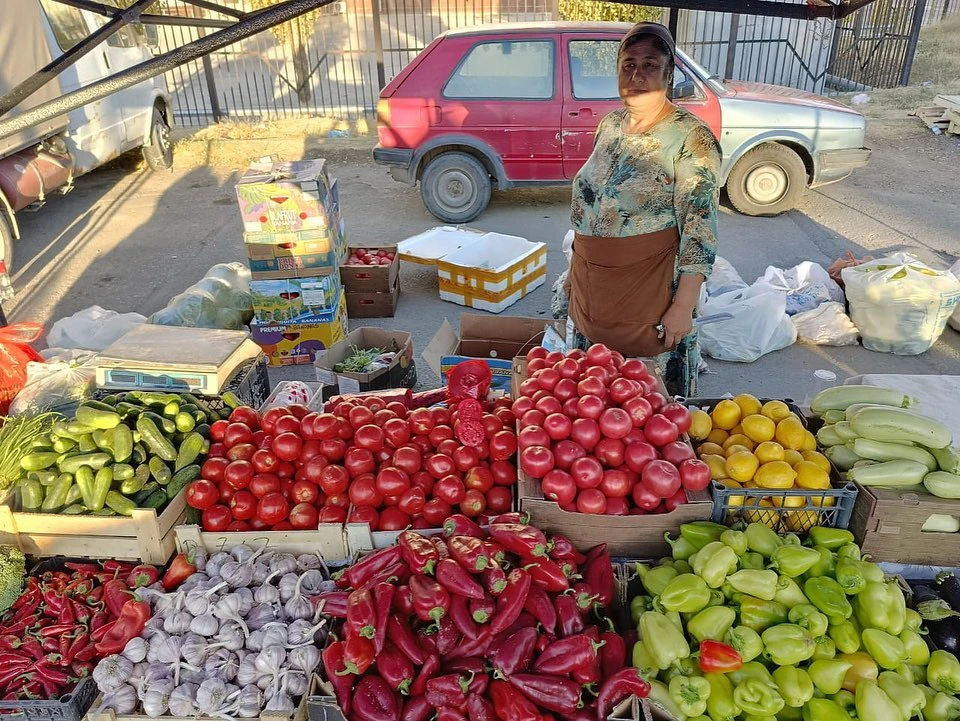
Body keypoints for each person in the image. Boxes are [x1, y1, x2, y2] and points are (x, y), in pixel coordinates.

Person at [565, 22, 721, 397]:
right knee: (591, 401)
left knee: (641, 409)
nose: (636, 75)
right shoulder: (611, 125)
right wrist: (574, 271)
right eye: (627, 64)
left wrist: (682, 306)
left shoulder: (689, 136)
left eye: (649, 65)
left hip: (647, 287)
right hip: (593, 282)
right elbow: (591, 204)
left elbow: (699, 228)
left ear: (668, 73)